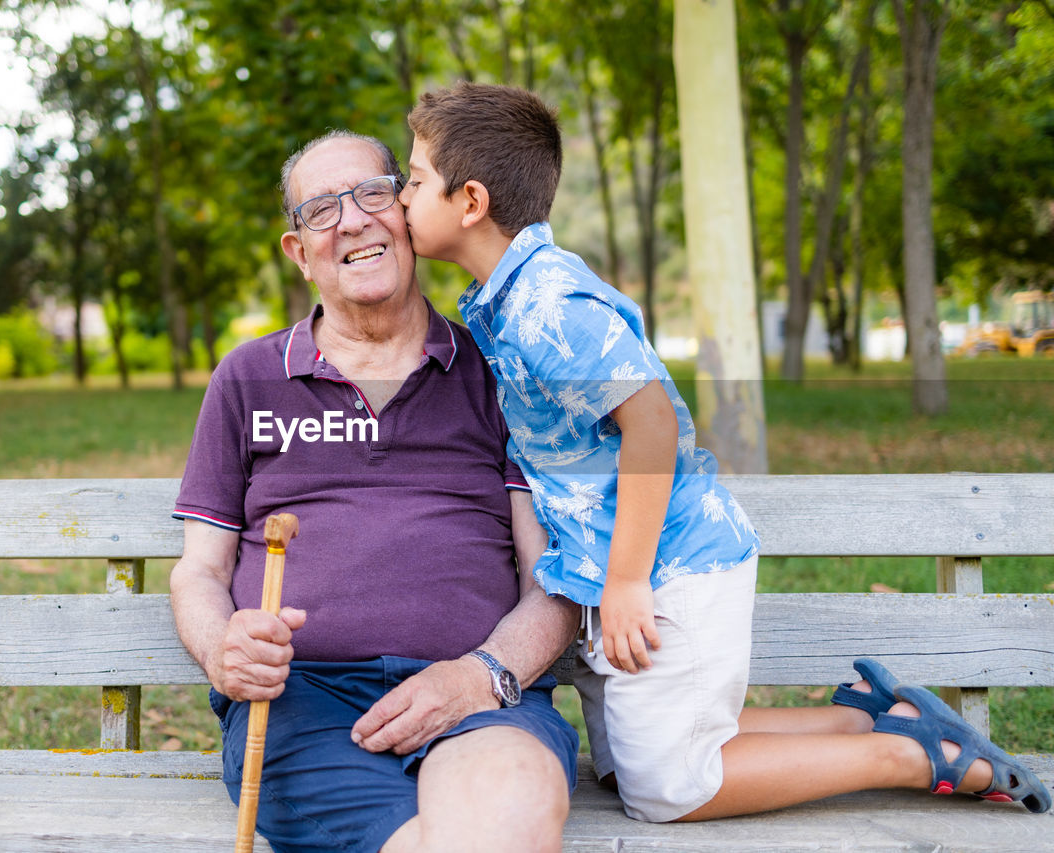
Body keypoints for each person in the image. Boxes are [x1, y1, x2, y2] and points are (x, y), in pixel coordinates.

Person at [398, 80, 1053, 822]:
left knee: (666, 786)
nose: (401, 195)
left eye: (415, 180)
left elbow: (651, 424)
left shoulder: (550, 307)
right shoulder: (508, 300)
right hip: (635, 568)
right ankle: (876, 718)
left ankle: (913, 756)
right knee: (624, 765)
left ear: (471, 201)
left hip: (668, 570)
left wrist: (626, 583)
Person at [168, 129, 582, 853]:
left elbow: (554, 578)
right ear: (299, 252)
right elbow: (199, 570)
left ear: (409, 213)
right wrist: (219, 646)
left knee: (507, 815)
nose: (353, 219)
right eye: (322, 209)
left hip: (482, 697)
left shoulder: (500, 373)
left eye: (371, 193)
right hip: (304, 706)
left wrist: (480, 675)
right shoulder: (247, 379)